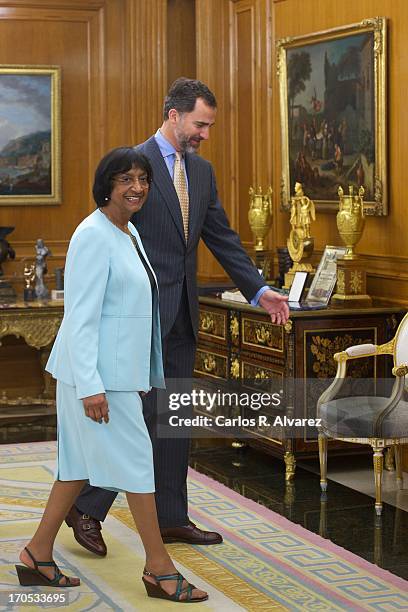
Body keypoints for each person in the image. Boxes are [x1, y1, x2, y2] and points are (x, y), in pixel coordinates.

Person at [68, 77, 289, 554]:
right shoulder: (134, 166)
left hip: (182, 318)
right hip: (137, 319)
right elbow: (110, 234)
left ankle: (171, 517)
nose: (205, 133)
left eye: (208, 125)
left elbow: (221, 237)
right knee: (135, 420)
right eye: (199, 124)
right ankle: (87, 506)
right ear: (173, 115)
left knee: (172, 419)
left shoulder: (203, 173)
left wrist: (259, 290)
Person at [15, 147, 208, 603]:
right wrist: (91, 386)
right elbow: (80, 318)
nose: (137, 187)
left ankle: (37, 554)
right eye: (126, 179)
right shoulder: (92, 235)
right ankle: (159, 568)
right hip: (98, 378)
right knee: (140, 465)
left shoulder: (129, 233)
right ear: (107, 185)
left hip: (118, 374)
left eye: (142, 178)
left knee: (78, 469)